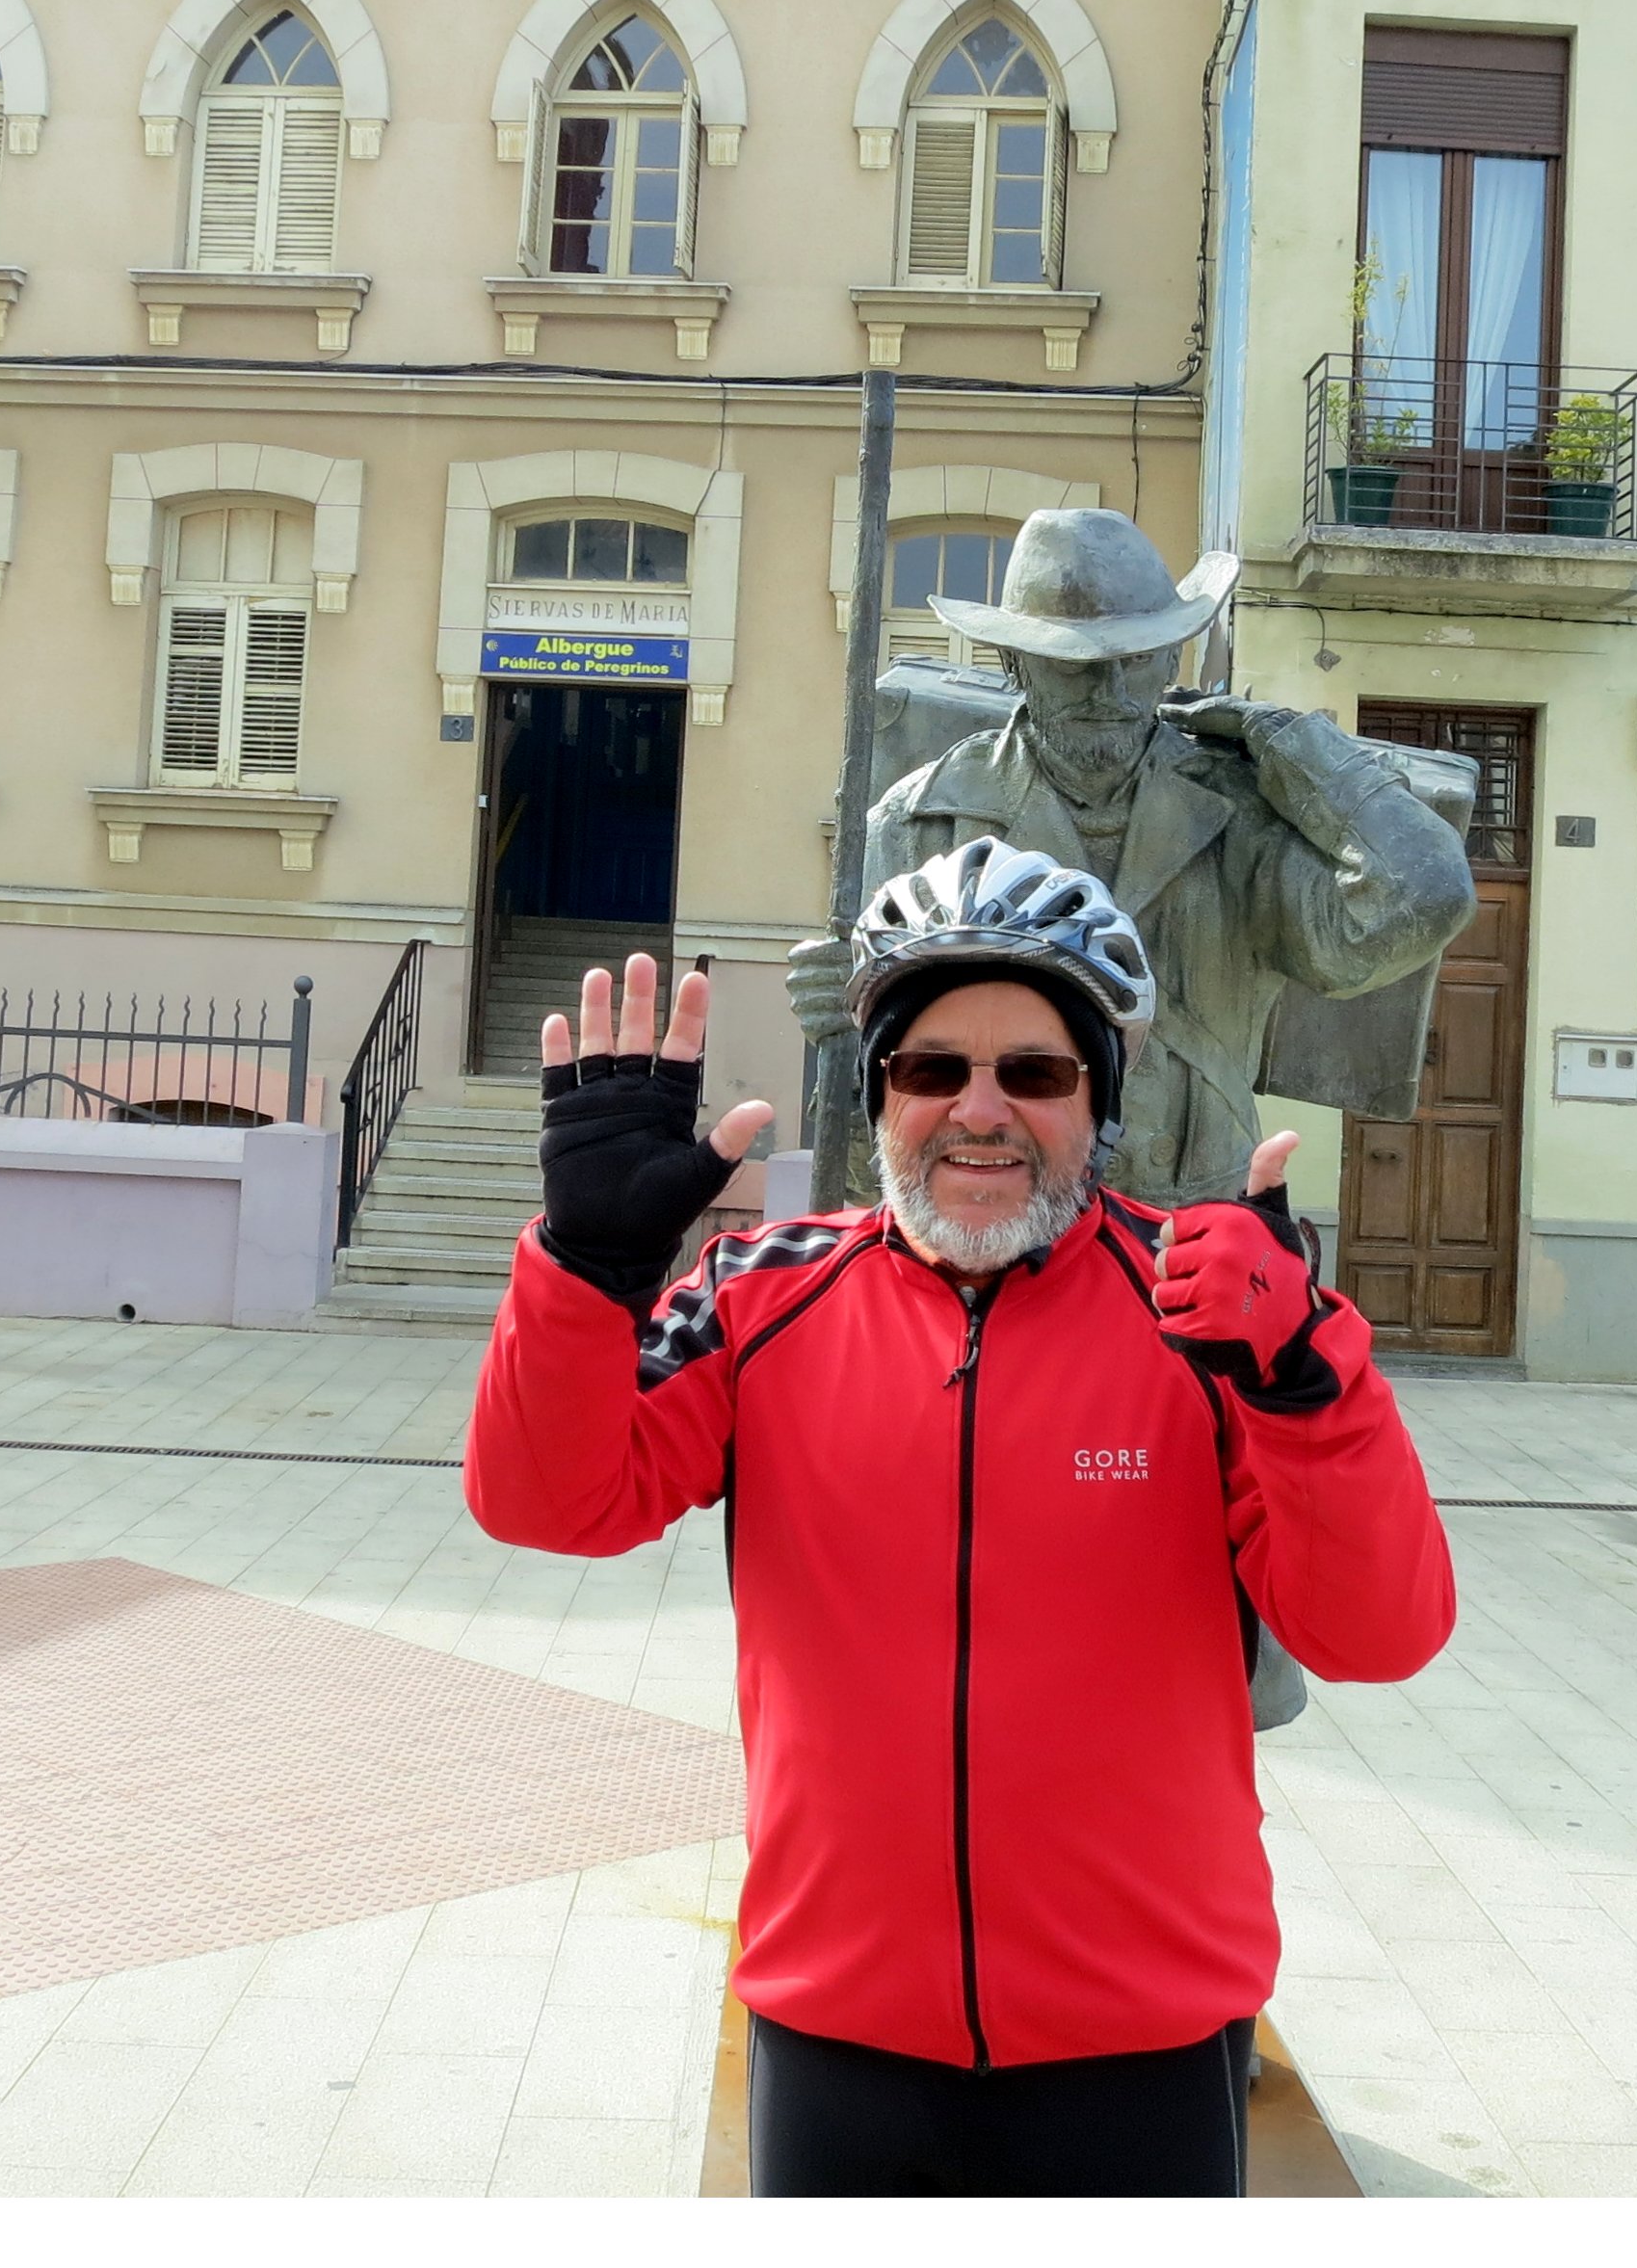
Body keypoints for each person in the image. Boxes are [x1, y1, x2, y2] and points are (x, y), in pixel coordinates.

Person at [465, 839, 1459, 2197]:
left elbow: (1377, 1634)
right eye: (930, 1066)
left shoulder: (1210, 1314)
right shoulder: (761, 1296)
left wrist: (1303, 1378)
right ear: (881, 1091)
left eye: (1033, 1073)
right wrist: (585, 1268)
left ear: (1098, 1100)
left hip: (1144, 2035)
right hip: (840, 2024)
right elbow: (548, 1503)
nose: (976, 1110)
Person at [787, 508, 1480, 1206]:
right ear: (1014, 662)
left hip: (1192, 1235)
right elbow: (867, 1154)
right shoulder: (922, 821)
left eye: (1138, 658)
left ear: (1173, 661)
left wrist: (1300, 749)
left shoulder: (1239, 816)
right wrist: (845, 1029)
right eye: (1076, 664)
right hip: (997, 1227)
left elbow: (1429, 894)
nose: (1110, 692)